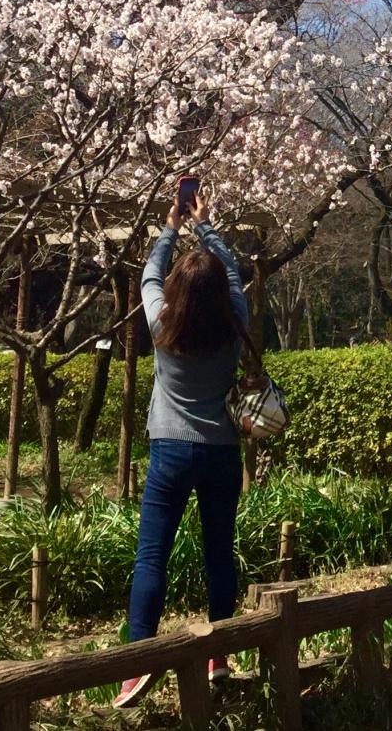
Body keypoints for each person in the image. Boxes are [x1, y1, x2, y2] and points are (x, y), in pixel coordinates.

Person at [114, 189, 252, 709]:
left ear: (175, 289)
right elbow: (233, 273)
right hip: (220, 450)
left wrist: (170, 228)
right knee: (220, 552)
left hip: (170, 449)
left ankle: (134, 668)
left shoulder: (161, 322)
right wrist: (206, 227)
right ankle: (219, 656)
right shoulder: (234, 319)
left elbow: (150, 275)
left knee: (152, 555)